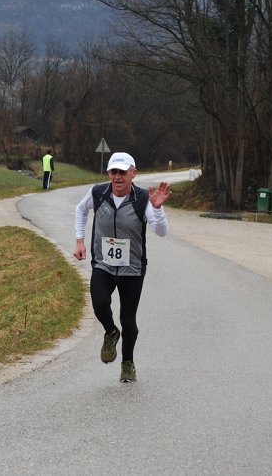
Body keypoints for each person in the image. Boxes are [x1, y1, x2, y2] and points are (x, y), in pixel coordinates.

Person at [73, 151, 171, 382]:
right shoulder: (98, 193)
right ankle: (110, 332)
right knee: (99, 303)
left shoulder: (143, 199)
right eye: (113, 172)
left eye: (122, 172)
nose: (117, 177)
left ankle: (128, 363)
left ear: (133, 174)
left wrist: (158, 209)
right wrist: (79, 240)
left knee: (128, 320)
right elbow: (80, 209)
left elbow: (162, 232)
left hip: (132, 269)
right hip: (104, 264)